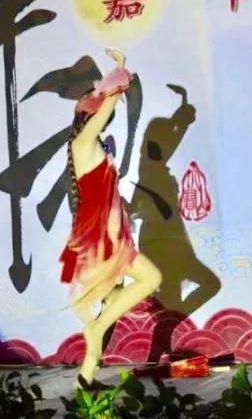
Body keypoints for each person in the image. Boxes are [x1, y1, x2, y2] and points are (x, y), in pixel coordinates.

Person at [59, 49, 162, 385]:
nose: (104, 116)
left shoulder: (91, 147)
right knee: (150, 280)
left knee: (117, 296)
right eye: (98, 110)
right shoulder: (82, 144)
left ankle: (87, 374)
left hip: (110, 234)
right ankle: (96, 328)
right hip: (103, 238)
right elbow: (108, 103)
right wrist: (119, 68)